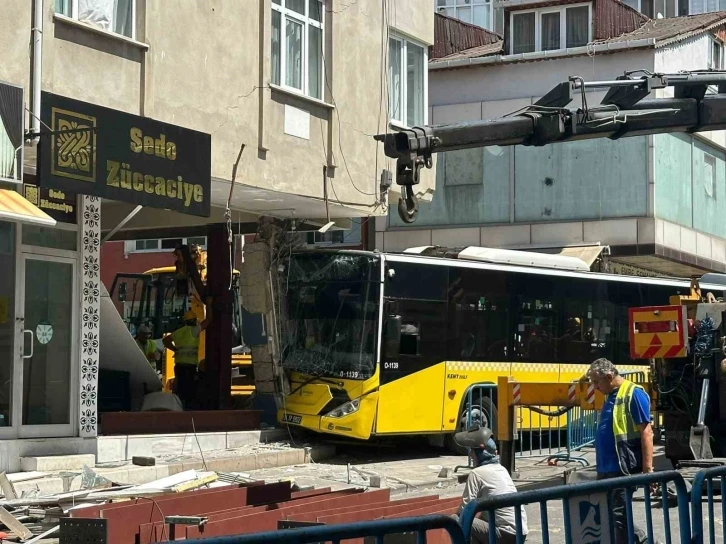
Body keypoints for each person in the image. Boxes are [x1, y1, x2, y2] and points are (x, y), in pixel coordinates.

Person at [588, 358, 656, 544]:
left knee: (617, 516)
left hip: (621, 466)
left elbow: (647, 432)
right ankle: (644, 541)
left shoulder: (634, 393)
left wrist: (648, 470)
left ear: (609, 376)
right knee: (610, 514)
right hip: (606, 466)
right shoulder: (610, 394)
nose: (595, 387)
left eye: (596, 381)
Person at [451, 426, 528, 543]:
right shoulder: (502, 469)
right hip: (520, 533)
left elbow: (465, 510)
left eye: (472, 451)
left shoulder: (476, 473)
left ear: (479, 453)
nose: (471, 455)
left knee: (456, 521)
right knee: (481, 519)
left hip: (505, 534)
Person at [163, 308, 211, 409]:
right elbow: (208, 320)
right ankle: (189, 410)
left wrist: (174, 349)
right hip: (190, 367)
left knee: (181, 390)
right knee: (190, 391)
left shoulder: (178, 332)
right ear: (194, 320)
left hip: (179, 367)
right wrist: (210, 304)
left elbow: (166, 340)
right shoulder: (194, 330)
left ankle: (180, 408)